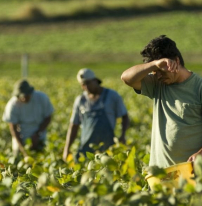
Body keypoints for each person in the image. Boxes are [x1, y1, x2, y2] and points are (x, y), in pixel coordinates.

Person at [121, 35, 202, 168]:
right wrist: (155, 64)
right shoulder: (157, 85)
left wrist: (200, 154)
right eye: (154, 72)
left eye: (160, 71)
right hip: (160, 174)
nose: (157, 75)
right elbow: (126, 78)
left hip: (191, 173)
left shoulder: (198, 87)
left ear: (176, 61)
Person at [63, 68, 129, 162]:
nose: (86, 87)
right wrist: (66, 149)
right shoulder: (80, 100)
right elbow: (74, 125)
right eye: (83, 85)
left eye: (88, 83)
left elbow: (125, 116)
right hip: (87, 149)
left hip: (108, 147)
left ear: (95, 81)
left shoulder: (112, 96)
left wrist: (123, 136)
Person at [2, 79, 54, 157]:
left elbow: (48, 117)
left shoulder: (41, 98)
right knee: (19, 160)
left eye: (26, 96)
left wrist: (37, 134)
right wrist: (22, 149)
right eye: (21, 96)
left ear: (30, 92)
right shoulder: (12, 105)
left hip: (40, 138)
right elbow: (13, 129)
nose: (24, 98)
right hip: (20, 140)